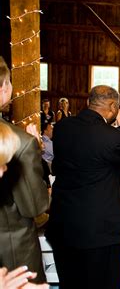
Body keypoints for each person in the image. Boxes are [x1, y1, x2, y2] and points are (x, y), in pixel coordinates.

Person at [46, 85, 120, 288]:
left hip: (64, 226)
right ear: (113, 106)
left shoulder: (62, 128)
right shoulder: (112, 137)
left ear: (89, 102)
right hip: (99, 231)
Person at [0, 57, 49, 284]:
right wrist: (35, 152)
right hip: (12, 255)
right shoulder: (21, 142)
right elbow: (35, 205)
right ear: (5, 88)